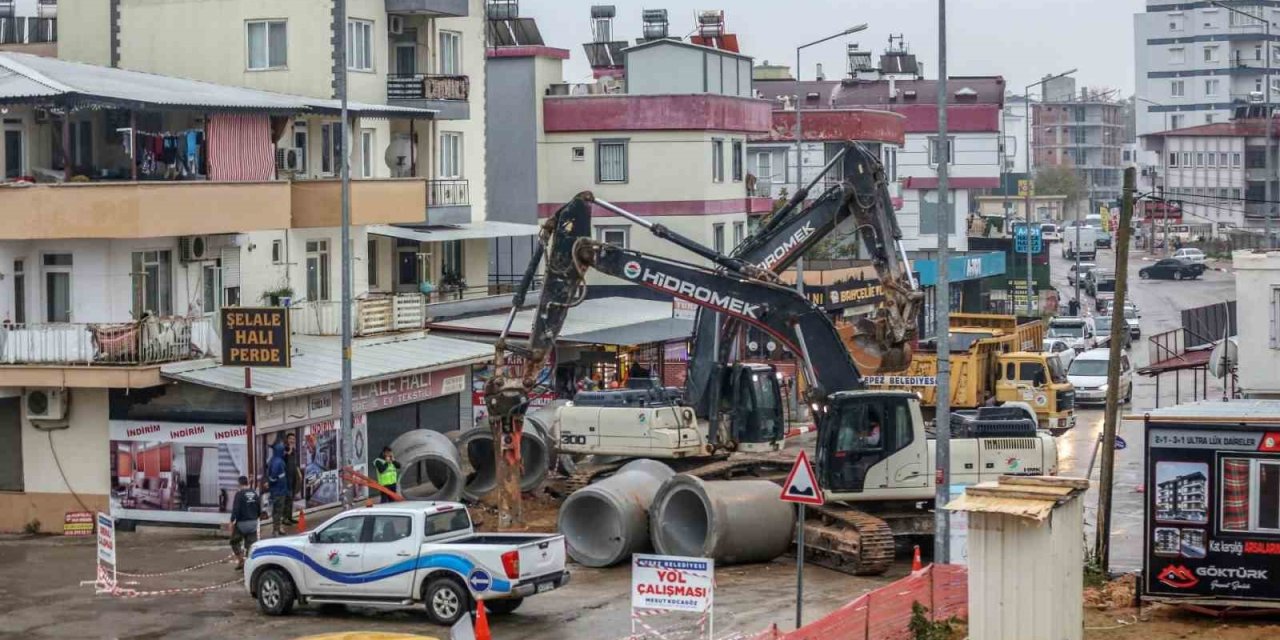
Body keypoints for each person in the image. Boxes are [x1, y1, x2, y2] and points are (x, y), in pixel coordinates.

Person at [228, 475, 261, 570]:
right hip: (253, 523)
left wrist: (231, 521)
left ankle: (241, 560)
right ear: (247, 483)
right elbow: (259, 508)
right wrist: (256, 518)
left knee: (234, 541)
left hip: (242, 523)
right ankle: (250, 565)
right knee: (251, 546)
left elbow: (236, 509)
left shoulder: (239, 494)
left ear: (239, 484)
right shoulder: (255, 493)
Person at [266, 441, 289, 536]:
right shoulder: (278, 462)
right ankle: (276, 530)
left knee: (277, 511)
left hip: (278, 490)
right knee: (278, 511)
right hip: (279, 491)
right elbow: (273, 477)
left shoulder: (274, 460)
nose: (284, 452)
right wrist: (270, 482)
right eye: (283, 450)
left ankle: (277, 528)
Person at [283, 433, 301, 526]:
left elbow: (295, 463)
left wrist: (299, 473)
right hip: (287, 478)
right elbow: (283, 458)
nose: (292, 440)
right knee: (287, 498)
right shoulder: (285, 449)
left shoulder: (294, 450)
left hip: (293, 476)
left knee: (291, 497)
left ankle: (290, 517)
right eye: (290, 439)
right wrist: (288, 451)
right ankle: (285, 518)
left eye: (293, 439)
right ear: (287, 440)